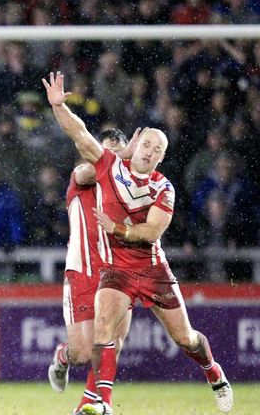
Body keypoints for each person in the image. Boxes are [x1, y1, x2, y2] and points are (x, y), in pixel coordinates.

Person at [42, 71, 233, 415]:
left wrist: (117, 227)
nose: (148, 151)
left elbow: (152, 233)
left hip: (151, 268)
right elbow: (80, 134)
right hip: (111, 270)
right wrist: (58, 108)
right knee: (102, 335)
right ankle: (100, 402)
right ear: (137, 145)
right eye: (145, 144)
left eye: (156, 149)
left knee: (185, 338)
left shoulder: (163, 187)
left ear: (160, 157)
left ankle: (214, 373)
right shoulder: (104, 168)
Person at [47, 128, 140, 414]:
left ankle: (89, 403)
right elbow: (94, 170)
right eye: (103, 149)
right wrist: (124, 155)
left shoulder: (128, 189)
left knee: (114, 340)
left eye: (115, 149)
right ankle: (63, 356)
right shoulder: (81, 178)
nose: (106, 156)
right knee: (83, 353)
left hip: (118, 272)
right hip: (82, 273)